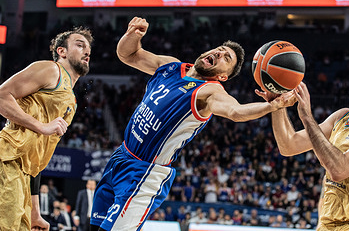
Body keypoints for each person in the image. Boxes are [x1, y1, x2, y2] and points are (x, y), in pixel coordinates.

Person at [90, 17, 289, 231]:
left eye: (226, 58)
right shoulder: (171, 66)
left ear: (222, 76)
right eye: (220, 49)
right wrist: (132, 36)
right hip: (121, 156)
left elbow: (236, 111)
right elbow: (127, 54)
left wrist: (272, 106)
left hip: (144, 172)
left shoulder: (209, 92)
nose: (219, 53)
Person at [261, 56, 349, 230]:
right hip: (327, 225)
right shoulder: (341, 116)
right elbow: (289, 146)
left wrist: (306, 116)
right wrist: (277, 106)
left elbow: (339, 169)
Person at [0, 27, 93, 231]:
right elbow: (2, 96)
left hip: (23, 172)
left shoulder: (71, 100)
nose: (87, 51)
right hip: (7, 159)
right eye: (80, 45)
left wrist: (35, 212)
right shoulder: (51, 70)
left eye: (88, 47)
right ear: (62, 51)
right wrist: (40, 126)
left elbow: (37, 159)